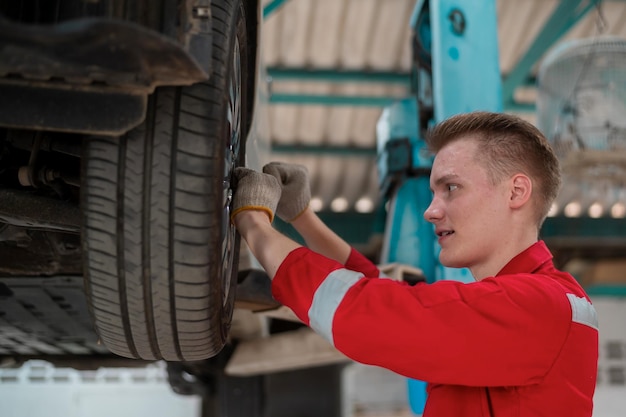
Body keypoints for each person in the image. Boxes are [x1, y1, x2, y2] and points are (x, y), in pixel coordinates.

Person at [230, 111, 599, 416]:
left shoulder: (539, 306)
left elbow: (372, 314)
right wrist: (303, 219)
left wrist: (253, 223)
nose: (430, 211)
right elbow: (390, 297)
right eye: (433, 193)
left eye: (451, 188)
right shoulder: (545, 300)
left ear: (516, 192)